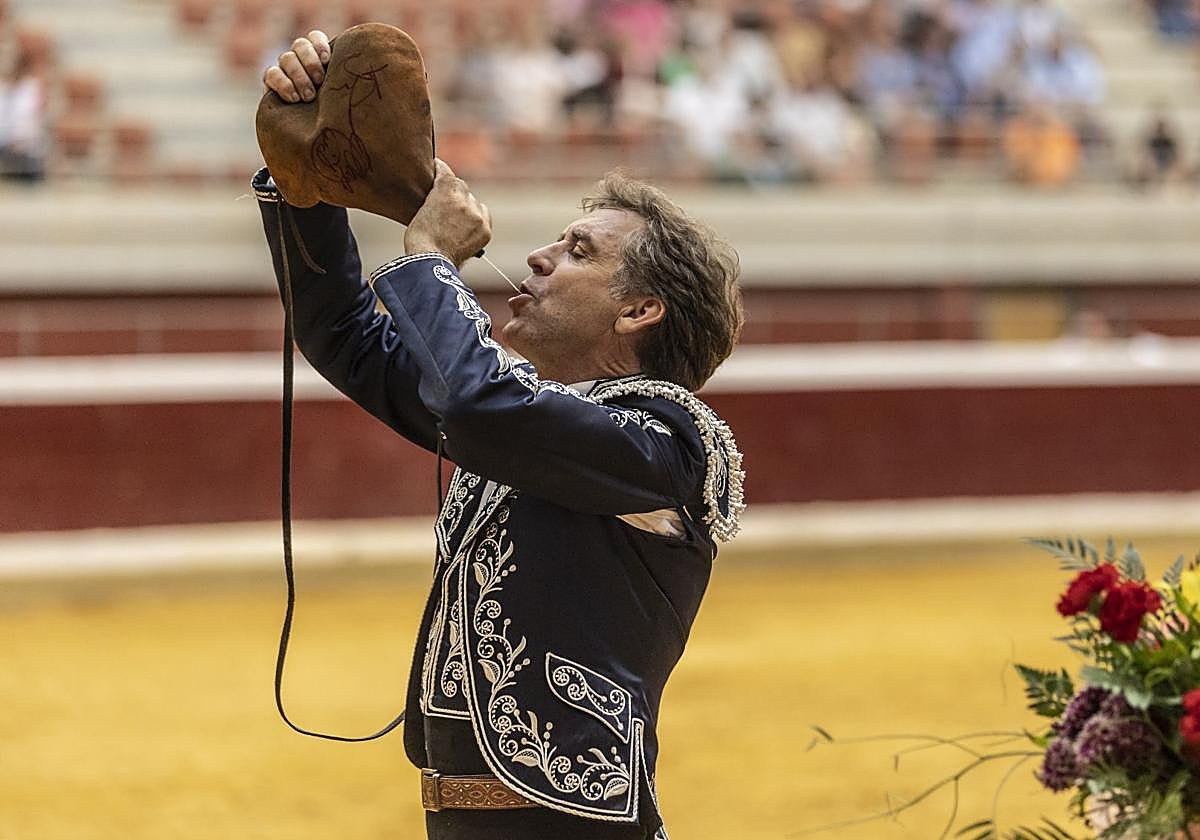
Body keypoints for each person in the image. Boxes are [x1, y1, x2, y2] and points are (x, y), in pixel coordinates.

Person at [257, 30, 745, 840]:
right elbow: (345, 335)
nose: (537, 257)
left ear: (638, 310)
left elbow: (485, 404)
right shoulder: (518, 426)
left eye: (577, 251)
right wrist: (303, 186)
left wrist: (428, 265)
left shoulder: (673, 439)